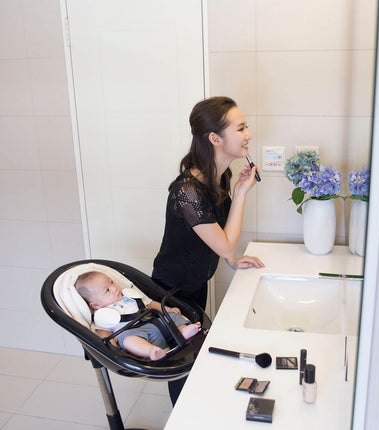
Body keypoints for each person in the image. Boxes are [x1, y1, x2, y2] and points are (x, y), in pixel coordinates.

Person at [151, 96, 265, 403]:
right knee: (182, 365)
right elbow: (225, 240)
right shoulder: (187, 191)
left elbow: (216, 236)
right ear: (215, 138)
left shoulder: (219, 177)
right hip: (171, 294)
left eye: (246, 127)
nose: (248, 135)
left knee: (193, 361)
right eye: (241, 128)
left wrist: (231, 258)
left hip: (196, 286)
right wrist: (241, 195)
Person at [75, 271, 201, 361]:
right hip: (138, 335)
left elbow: (150, 304)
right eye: (107, 291)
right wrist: (116, 352)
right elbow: (105, 336)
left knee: (172, 317)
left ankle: (181, 333)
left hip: (157, 323)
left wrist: (168, 309)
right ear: (96, 305)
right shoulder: (103, 315)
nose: (114, 288)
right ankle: (151, 351)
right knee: (127, 339)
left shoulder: (129, 296)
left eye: (112, 282)